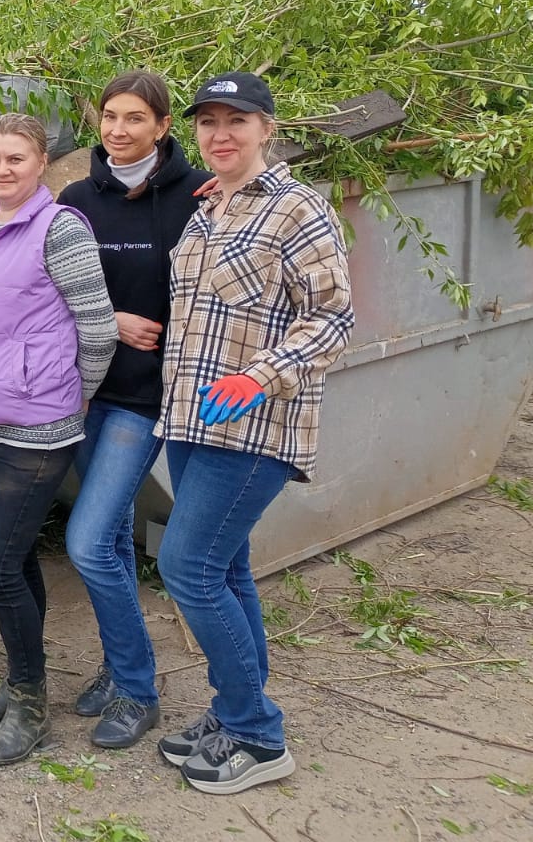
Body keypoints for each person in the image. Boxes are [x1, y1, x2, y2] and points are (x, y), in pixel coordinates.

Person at [154, 71, 353, 794]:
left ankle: (260, 736)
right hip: (190, 420)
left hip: (256, 425)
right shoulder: (209, 210)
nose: (221, 134)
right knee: (226, 570)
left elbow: (333, 317)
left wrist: (262, 374)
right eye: (209, 122)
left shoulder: (300, 210)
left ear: (268, 128)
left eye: (237, 121)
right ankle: (233, 714)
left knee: (188, 568)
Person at [0, 113, 116, 766]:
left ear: (42, 163)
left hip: (40, 429)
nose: (3, 170)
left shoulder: (59, 229)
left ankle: (31, 705)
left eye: (16, 159)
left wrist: (72, 396)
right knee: (12, 560)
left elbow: (97, 328)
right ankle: (23, 684)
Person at [57, 70, 209, 749]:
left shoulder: (200, 196)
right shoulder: (75, 199)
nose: (118, 130)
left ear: (162, 126)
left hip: (145, 397)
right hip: (84, 388)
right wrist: (110, 318)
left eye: (135, 119)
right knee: (111, 539)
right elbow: (46, 288)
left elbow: (217, 293)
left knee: (86, 542)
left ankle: (139, 689)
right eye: (110, 116)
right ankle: (120, 668)